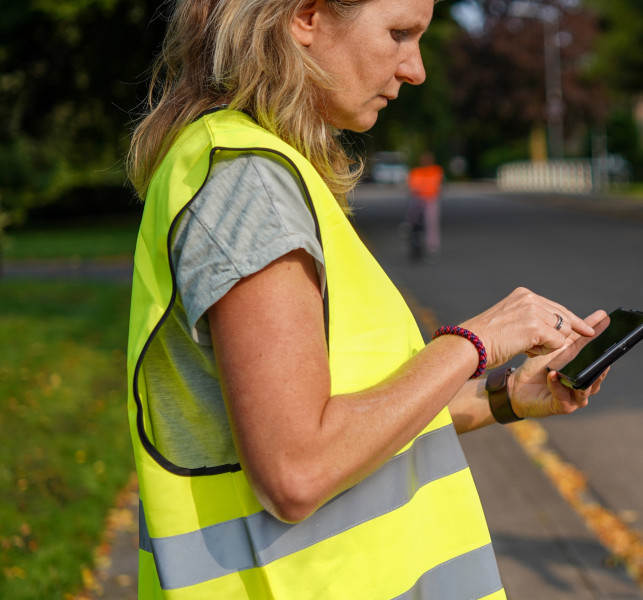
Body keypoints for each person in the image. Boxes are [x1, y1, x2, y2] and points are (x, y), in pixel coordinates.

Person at [123, 1, 606, 597]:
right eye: (400, 33)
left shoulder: (254, 166)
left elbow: (360, 415)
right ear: (306, 17)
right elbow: (298, 468)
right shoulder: (249, 185)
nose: (416, 69)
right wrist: (477, 342)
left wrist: (506, 397)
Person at [405, 151, 443, 262]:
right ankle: (409, 225)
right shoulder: (416, 172)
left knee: (431, 222)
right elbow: (412, 186)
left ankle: (432, 247)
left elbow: (438, 184)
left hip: (431, 199)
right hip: (418, 199)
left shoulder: (435, 170)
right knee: (412, 213)